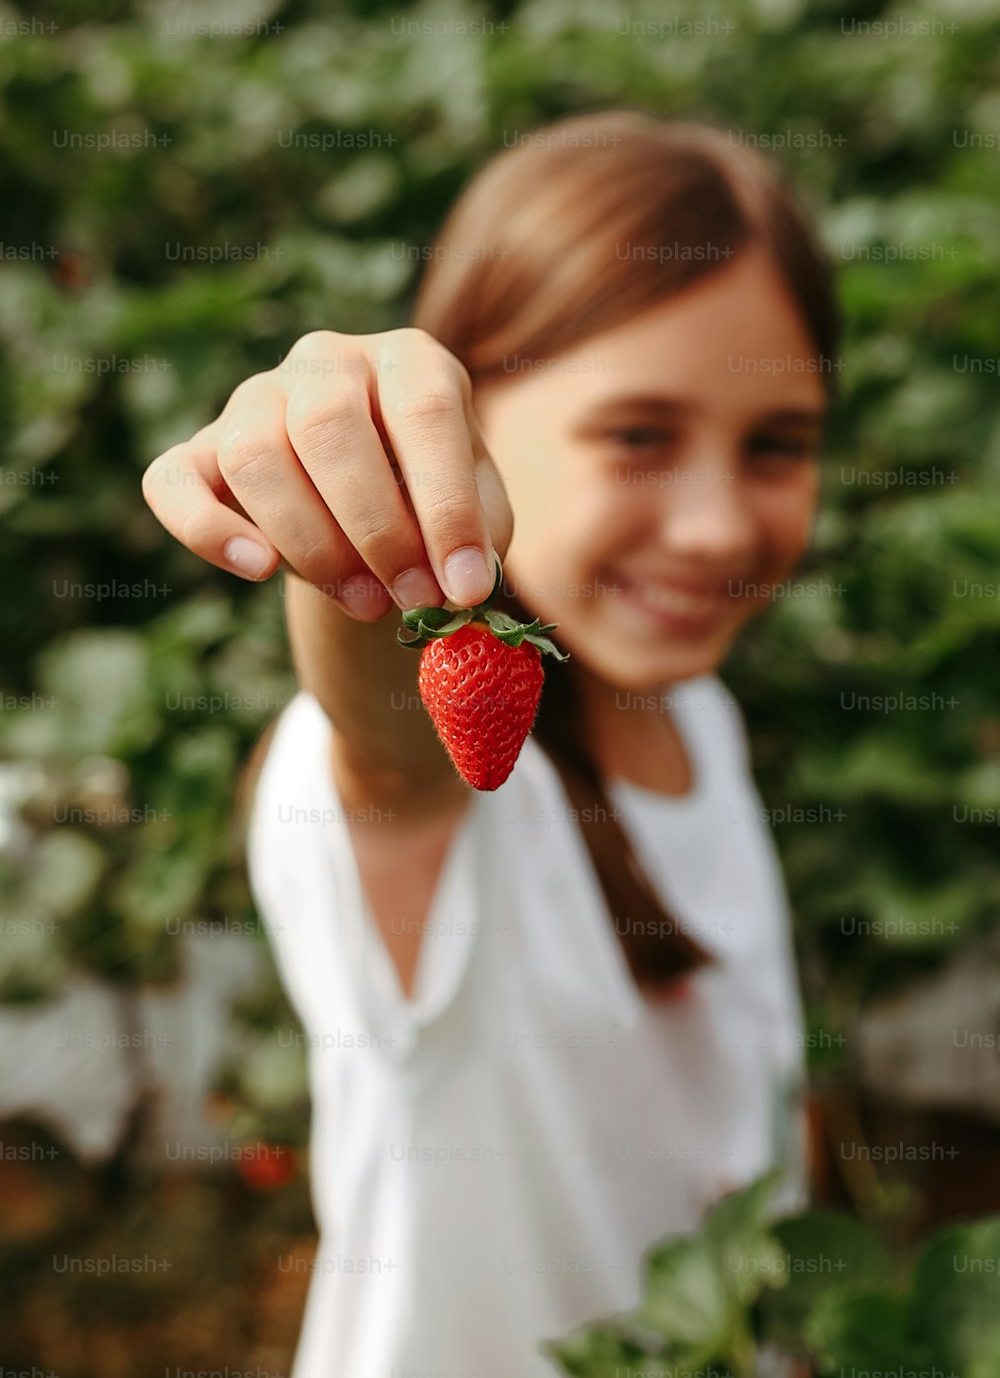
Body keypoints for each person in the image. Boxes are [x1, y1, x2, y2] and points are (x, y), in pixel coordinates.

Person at [142, 110, 840, 1378]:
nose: (712, 525)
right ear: (471, 419)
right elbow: (386, 733)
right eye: (637, 434)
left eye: (776, 445)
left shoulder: (698, 722)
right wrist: (363, 495)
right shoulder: (432, 795)